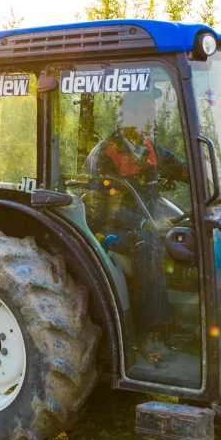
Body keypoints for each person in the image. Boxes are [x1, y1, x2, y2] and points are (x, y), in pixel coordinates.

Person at [84, 87, 188, 361]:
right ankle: (150, 334)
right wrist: (144, 222)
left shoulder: (149, 149)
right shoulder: (107, 153)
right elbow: (102, 209)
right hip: (107, 229)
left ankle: (187, 323)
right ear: (127, 114)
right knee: (149, 243)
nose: (150, 116)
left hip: (144, 221)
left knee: (188, 234)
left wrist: (207, 177)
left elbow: (181, 169)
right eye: (144, 110)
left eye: (151, 111)